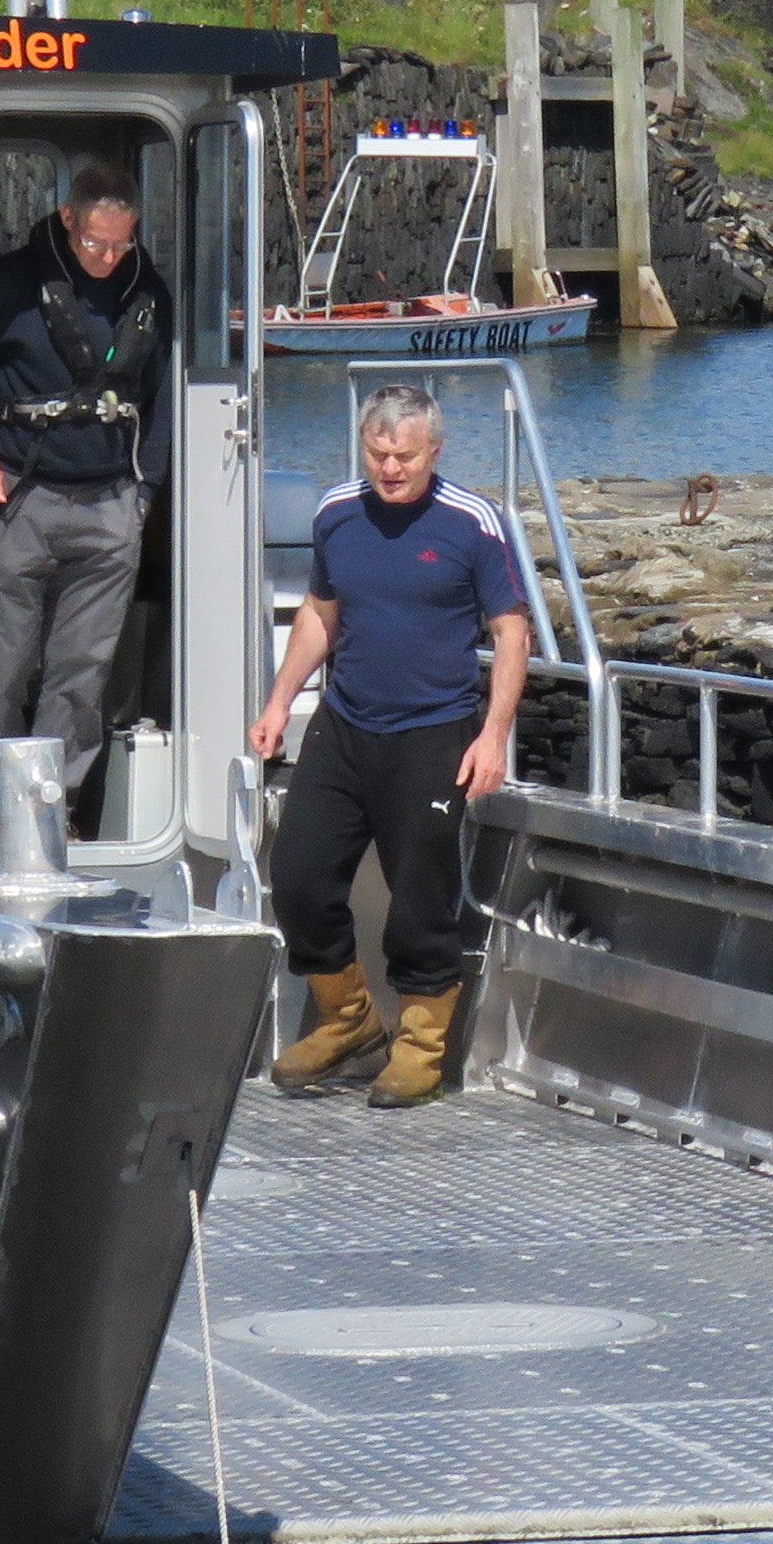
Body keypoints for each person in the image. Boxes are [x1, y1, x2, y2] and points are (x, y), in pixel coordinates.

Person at [246, 383, 531, 1105]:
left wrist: (494, 735)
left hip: (435, 732)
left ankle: (420, 1047)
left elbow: (511, 632)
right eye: (378, 454)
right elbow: (319, 611)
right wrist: (279, 703)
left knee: (419, 902)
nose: (390, 469)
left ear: (434, 451)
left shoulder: (474, 522)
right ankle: (347, 1023)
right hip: (345, 725)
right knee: (300, 876)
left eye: (404, 456)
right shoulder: (336, 512)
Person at [0, 160, 170, 817]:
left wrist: (144, 495)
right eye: (94, 243)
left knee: (80, 679)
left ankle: (49, 810)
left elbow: (164, 405)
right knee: (3, 670)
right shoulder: (7, 286)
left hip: (111, 504)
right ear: (67, 221)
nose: (108, 257)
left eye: (121, 244)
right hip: (19, 498)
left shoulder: (149, 293)